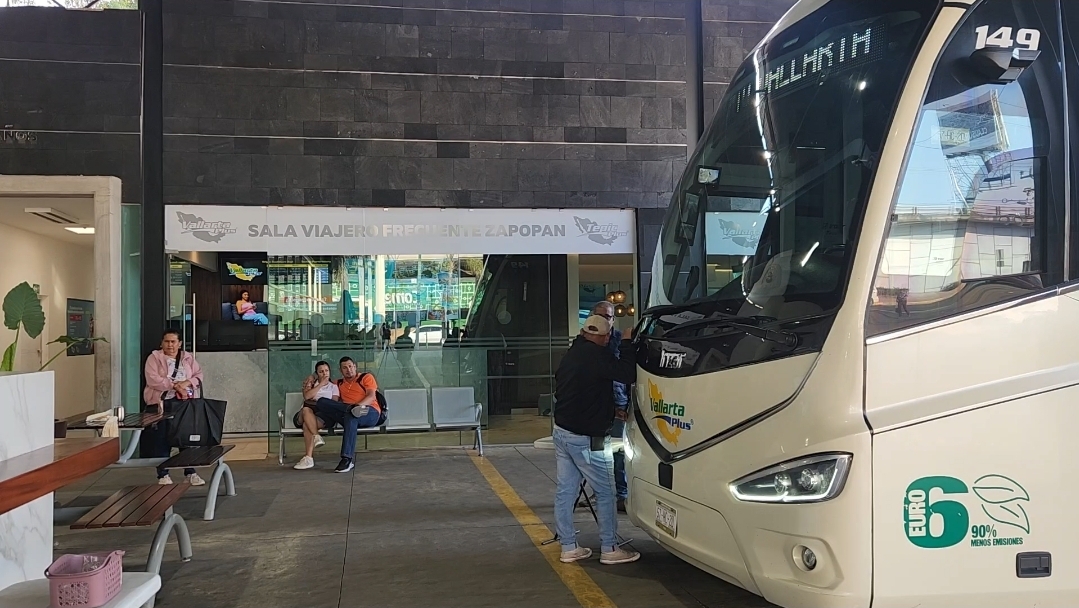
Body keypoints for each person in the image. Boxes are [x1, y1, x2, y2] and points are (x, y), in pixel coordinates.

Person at [553, 314, 640, 565]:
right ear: (603, 337)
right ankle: (610, 548)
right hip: (588, 438)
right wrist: (626, 343)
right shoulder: (598, 355)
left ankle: (569, 547)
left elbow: (580, 391)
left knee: (565, 492)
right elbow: (626, 373)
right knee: (606, 492)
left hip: (562, 432)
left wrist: (608, 409)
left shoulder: (572, 354)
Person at [579, 301, 629, 513]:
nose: (604, 320)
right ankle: (600, 491)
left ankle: (621, 493)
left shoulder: (616, 341)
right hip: (596, 406)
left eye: (608, 317)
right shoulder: (585, 342)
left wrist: (621, 403)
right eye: (600, 315)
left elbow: (620, 375)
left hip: (616, 405)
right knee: (597, 452)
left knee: (617, 453)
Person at [295, 357, 380, 472]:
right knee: (322, 402)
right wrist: (312, 377)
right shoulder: (338, 383)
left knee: (352, 416)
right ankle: (349, 409)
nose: (348, 370)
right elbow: (322, 377)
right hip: (348, 412)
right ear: (340, 371)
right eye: (344, 368)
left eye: (350, 366)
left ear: (355, 367)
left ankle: (346, 459)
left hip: (368, 411)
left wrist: (357, 406)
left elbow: (371, 396)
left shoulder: (366, 377)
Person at [142, 329, 205, 486]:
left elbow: (198, 375)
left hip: (185, 403)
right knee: (161, 439)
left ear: (179, 343)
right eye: (167, 341)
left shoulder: (188, 358)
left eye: (173, 341)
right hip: (162, 404)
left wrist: (186, 383)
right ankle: (163, 474)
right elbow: (152, 379)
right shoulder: (154, 358)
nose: (170, 345)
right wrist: (174, 386)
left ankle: (190, 472)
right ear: (161, 343)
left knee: (186, 438)